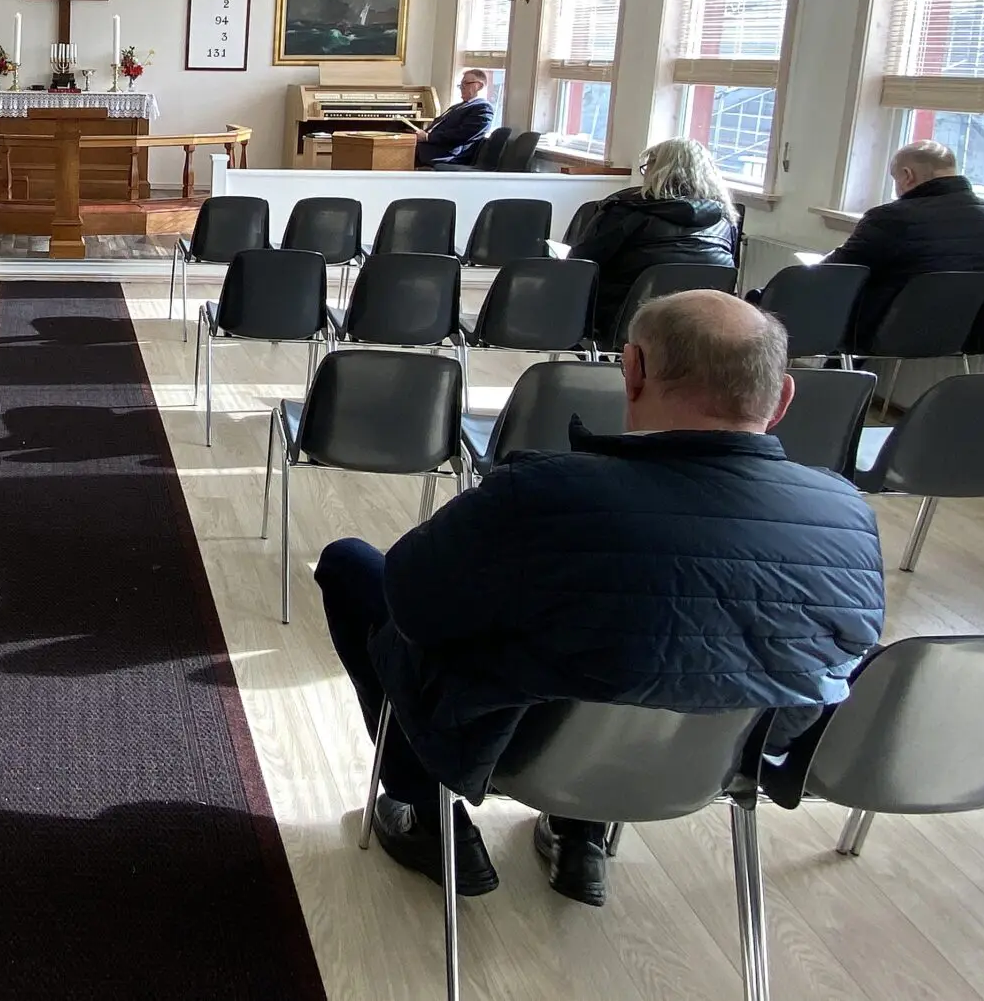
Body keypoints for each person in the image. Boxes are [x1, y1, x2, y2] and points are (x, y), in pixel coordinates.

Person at [315, 292, 883, 907]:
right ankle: (580, 834)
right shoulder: (847, 514)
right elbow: (840, 659)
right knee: (657, 637)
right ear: (782, 396)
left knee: (352, 567)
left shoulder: (544, 493)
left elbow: (412, 604)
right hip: (718, 766)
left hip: (520, 754)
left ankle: (428, 814)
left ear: (632, 369)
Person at [822, 140, 984, 349]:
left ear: (907, 175)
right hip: (963, 335)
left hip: (886, 333)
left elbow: (835, 270)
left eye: (895, 180)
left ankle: (831, 368)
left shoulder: (890, 218)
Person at [569, 137, 739, 341]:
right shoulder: (725, 222)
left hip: (624, 323)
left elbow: (580, 263)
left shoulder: (626, 211)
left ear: (657, 170)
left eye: (647, 166)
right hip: (700, 329)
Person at [413, 68, 496, 167]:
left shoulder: (483, 108)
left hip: (448, 155)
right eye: (461, 84)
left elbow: (462, 135)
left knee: (403, 153)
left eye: (466, 83)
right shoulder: (457, 106)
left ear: (480, 86)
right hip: (430, 147)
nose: (462, 87)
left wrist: (427, 137)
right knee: (401, 146)